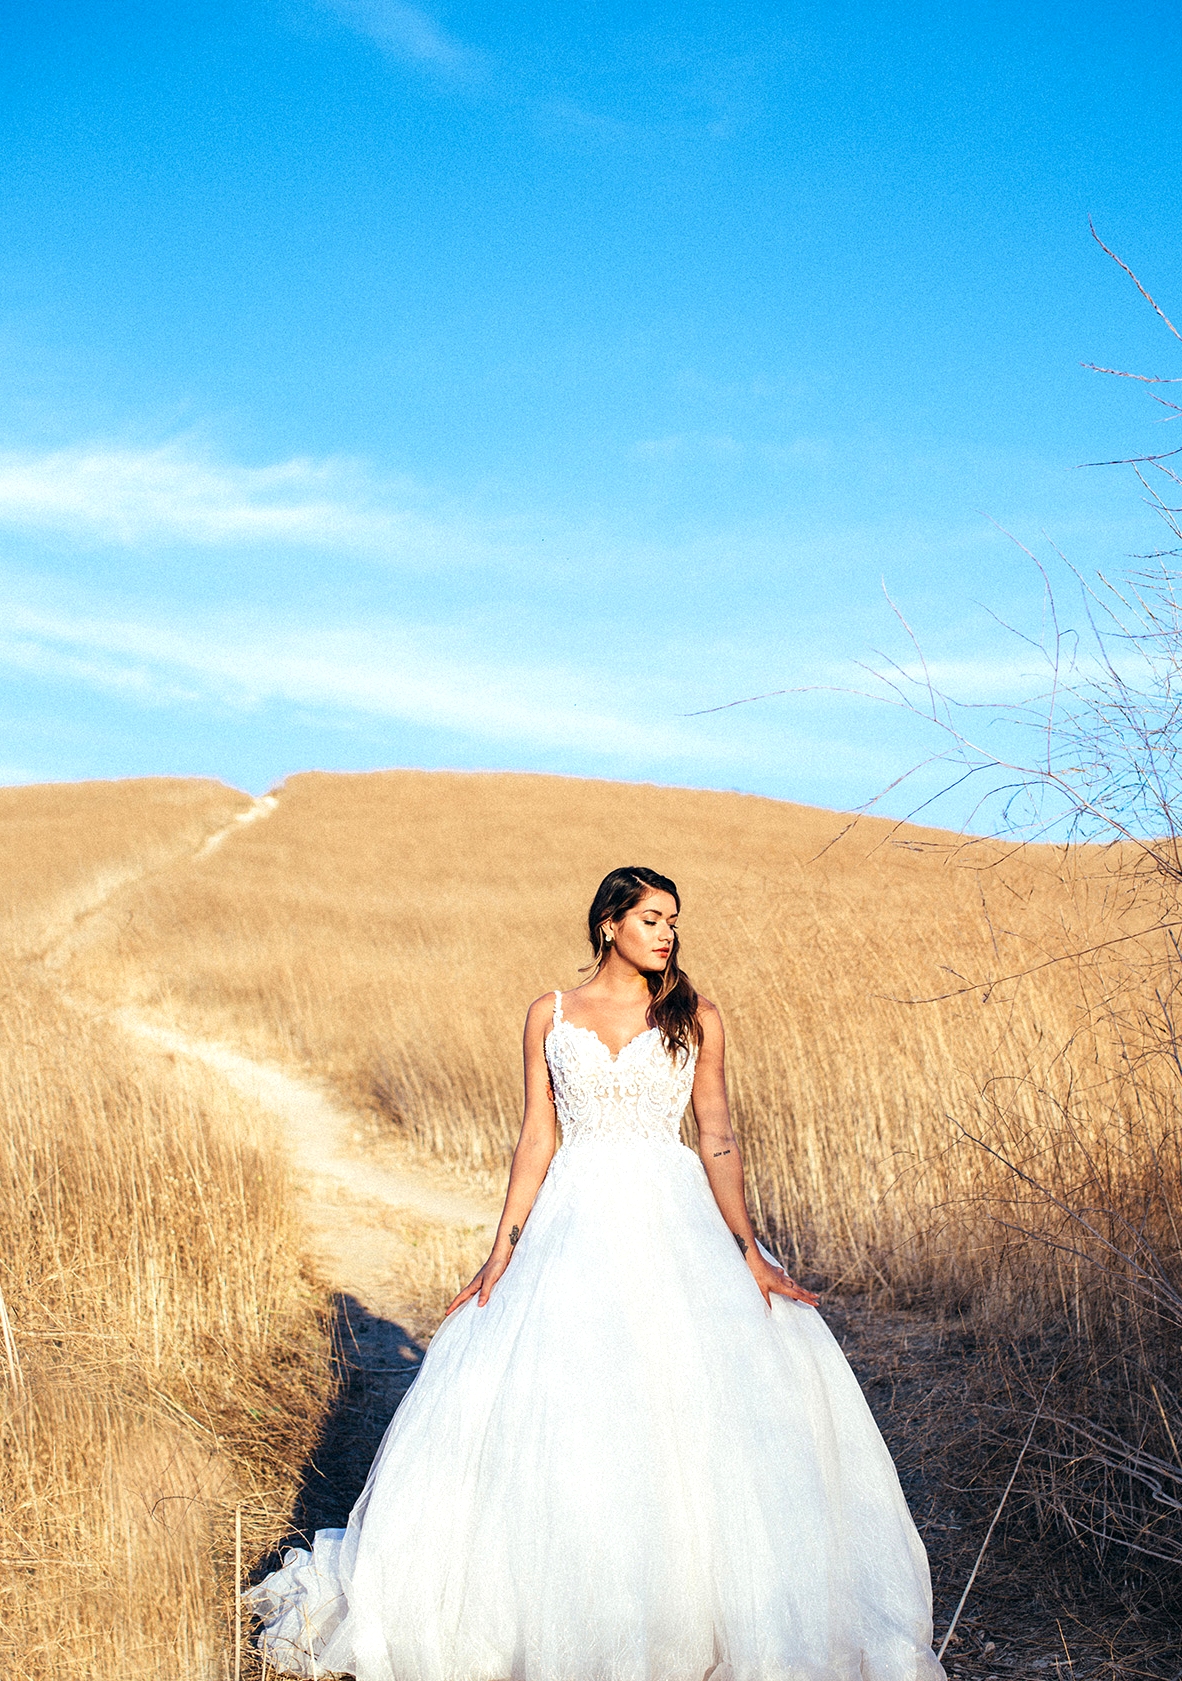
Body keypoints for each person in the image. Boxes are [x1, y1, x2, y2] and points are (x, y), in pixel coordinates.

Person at [247, 865, 946, 1681]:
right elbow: (536, 1138)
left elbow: (716, 1136)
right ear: (611, 922)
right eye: (653, 918)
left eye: (674, 921)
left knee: (689, 1406)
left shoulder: (697, 1017)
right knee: (575, 1406)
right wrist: (502, 1250)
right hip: (574, 1220)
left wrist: (749, 1249)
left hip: (671, 1215)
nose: (668, 933)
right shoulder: (551, 1012)